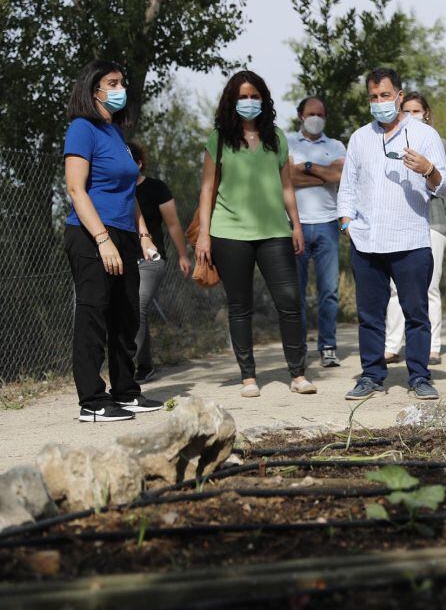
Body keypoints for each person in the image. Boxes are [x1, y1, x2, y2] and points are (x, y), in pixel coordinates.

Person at [194, 70, 316, 397]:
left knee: (290, 301)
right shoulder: (218, 139)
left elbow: (286, 185)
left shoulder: (276, 137)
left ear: (263, 99)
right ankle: (248, 377)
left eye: (255, 96)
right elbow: (207, 189)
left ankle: (298, 373)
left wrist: (296, 224)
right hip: (228, 232)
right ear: (232, 101)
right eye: (243, 96)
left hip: (274, 231)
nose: (249, 102)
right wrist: (204, 235)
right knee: (240, 306)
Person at [337, 67, 446, 401]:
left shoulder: (423, 135)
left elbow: (445, 185)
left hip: (411, 240)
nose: (379, 102)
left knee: (416, 313)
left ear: (399, 97)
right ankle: (371, 375)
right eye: (373, 97)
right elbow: (348, 187)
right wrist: (347, 223)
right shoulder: (359, 138)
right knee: (370, 315)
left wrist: (428, 169)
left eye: (385, 96)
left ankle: (419, 376)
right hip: (367, 240)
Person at [62, 59, 164, 421]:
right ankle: (91, 401)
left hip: (124, 235)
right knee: (94, 314)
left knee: (127, 316)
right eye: (113, 82)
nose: (121, 88)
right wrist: (102, 239)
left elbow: (127, 192)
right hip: (91, 234)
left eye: (123, 81)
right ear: (95, 90)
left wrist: (145, 235)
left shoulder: (115, 134)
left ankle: (125, 392)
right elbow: (76, 188)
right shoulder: (81, 128)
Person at [384, 92, 446, 367]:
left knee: (429, 285)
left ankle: (432, 346)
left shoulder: (441, 144)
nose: (412, 115)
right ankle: (392, 345)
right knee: (395, 287)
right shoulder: (391, 144)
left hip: (435, 221)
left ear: (426, 113)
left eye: (417, 111)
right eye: (407, 110)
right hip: (403, 222)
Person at [287, 96, 347, 368]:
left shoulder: (335, 145)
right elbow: (286, 178)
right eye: (311, 113)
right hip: (294, 225)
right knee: (295, 292)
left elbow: (339, 177)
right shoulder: (287, 143)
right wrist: (323, 172)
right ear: (301, 115)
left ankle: (328, 346)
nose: (315, 118)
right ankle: (298, 347)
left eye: (320, 114)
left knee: (329, 291)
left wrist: (306, 167)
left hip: (327, 224)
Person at [128, 142, 191, 383]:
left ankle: (131, 367)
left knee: (138, 305)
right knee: (127, 310)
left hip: (151, 260)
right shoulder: (114, 189)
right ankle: (144, 364)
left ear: (139, 163)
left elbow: (173, 224)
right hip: (122, 259)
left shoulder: (156, 188)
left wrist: (183, 255)